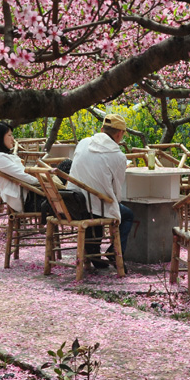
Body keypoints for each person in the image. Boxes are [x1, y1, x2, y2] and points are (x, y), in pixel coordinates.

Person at [67, 113, 135, 268]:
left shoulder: (83, 143)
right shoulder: (118, 156)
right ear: (119, 134)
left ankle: (94, 254)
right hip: (93, 207)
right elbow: (117, 193)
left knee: (98, 202)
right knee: (127, 214)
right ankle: (115, 252)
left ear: (102, 128)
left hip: (73, 202)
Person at [0, 121, 44, 213]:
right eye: (9, 135)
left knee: (66, 166)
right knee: (66, 165)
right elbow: (23, 176)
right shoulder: (0, 158)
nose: (13, 139)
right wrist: (44, 182)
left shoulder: (2, 156)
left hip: (33, 195)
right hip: (28, 201)